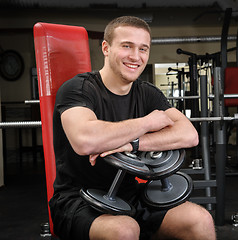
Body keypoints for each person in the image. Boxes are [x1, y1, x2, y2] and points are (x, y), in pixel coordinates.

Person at [49, 16, 216, 240]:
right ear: (106, 48)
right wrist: (147, 123)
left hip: (129, 195)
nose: (135, 56)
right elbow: (85, 140)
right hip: (77, 198)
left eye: (143, 49)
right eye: (126, 46)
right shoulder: (78, 89)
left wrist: (132, 143)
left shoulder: (147, 93)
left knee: (200, 220)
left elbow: (189, 134)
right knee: (124, 230)